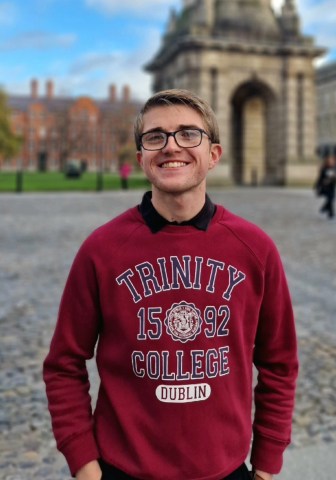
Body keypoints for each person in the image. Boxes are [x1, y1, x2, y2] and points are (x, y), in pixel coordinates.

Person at [43, 89, 298, 480]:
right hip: (121, 470)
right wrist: (85, 465)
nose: (171, 145)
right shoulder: (102, 249)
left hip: (226, 471)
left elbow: (279, 362)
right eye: (155, 136)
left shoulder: (255, 248)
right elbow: (63, 363)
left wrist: (265, 466)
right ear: (141, 157)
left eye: (188, 134)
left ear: (213, 154)